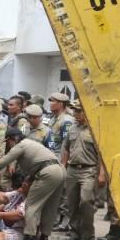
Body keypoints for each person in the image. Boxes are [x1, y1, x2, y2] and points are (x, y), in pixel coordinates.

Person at [0, 128, 66, 240]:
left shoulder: (21, 145)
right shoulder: (32, 143)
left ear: (13, 139)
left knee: (31, 205)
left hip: (47, 172)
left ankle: (29, 239)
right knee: (50, 206)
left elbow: (1, 163)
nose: (9, 144)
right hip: (60, 170)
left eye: (9, 141)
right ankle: (44, 236)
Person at [62, 99, 99, 240]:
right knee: (71, 203)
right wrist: (63, 166)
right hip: (72, 169)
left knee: (85, 201)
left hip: (89, 169)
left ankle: (87, 234)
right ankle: (75, 233)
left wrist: (102, 174)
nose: (75, 113)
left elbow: (101, 154)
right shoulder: (72, 128)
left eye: (79, 111)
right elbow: (66, 148)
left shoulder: (95, 129)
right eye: (75, 111)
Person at [47, 92, 74, 231]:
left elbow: (66, 144)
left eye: (53, 101)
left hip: (61, 159)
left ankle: (65, 220)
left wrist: (64, 162)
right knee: (55, 190)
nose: (50, 103)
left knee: (64, 191)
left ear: (61, 104)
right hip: (52, 157)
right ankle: (56, 218)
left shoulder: (66, 121)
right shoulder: (53, 119)